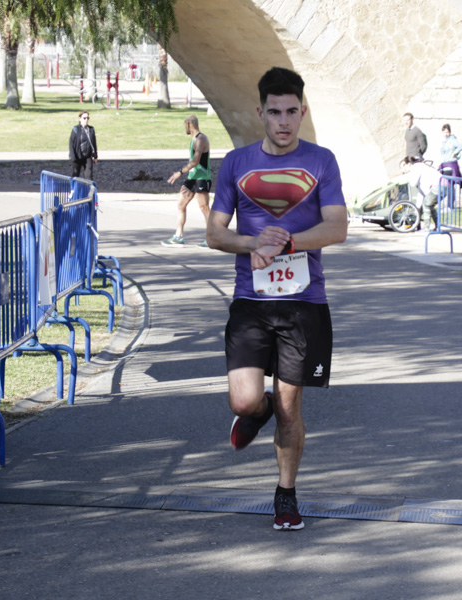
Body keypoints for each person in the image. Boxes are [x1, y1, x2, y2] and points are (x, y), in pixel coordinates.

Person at [206, 67, 348, 532]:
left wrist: (287, 243)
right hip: (251, 301)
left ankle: (285, 494)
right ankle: (256, 413)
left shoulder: (322, 161)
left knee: (291, 406)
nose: (284, 121)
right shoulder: (236, 163)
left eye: (292, 112)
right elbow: (214, 233)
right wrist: (253, 244)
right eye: (275, 112)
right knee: (244, 401)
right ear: (260, 113)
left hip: (304, 303)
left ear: (302, 111)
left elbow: (337, 228)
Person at [163, 115, 212, 247]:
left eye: (186, 125)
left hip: (201, 178)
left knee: (204, 208)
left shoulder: (201, 139)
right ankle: (178, 236)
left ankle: (211, 238)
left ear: (189, 124)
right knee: (181, 205)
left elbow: (196, 161)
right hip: (192, 178)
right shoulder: (193, 139)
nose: (185, 128)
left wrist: (179, 172)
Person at [406, 155, 441, 231]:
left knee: (426, 204)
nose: (404, 169)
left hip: (436, 187)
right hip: (442, 186)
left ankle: (426, 228)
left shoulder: (416, 167)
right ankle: (438, 226)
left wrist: (408, 176)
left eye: (404, 166)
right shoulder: (423, 166)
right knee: (429, 205)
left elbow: (412, 183)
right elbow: (420, 194)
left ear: (409, 164)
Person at [68, 111, 97, 180]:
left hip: (87, 156)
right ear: (80, 119)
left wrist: (95, 155)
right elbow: (71, 143)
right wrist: (73, 156)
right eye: (84, 118)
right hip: (77, 155)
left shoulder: (91, 129)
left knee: (89, 175)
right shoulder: (76, 129)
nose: (86, 120)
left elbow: (94, 142)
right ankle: (73, 189)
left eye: (87, 118)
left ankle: (89, 189)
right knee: (75, 174)